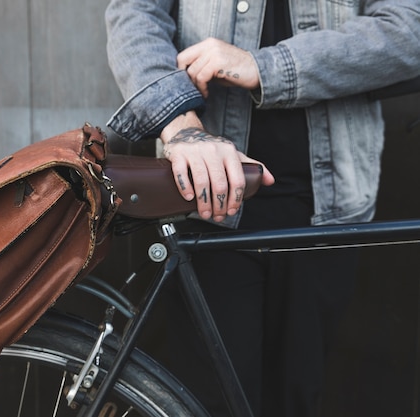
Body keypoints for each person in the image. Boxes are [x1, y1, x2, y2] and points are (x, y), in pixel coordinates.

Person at [104, 1, 420, 416]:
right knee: (206, 403)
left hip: (329, 207)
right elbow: (135, 13)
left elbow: (410, 28)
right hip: (204, 200)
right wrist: (181, 126)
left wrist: (264, 67)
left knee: (296, 398)